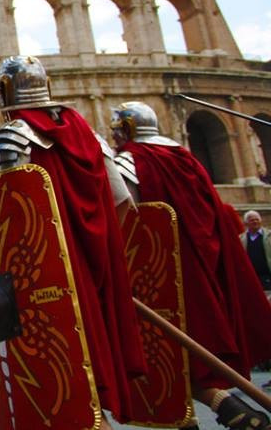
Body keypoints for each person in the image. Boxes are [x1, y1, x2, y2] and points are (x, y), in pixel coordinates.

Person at [0, 56, 145, 428]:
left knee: (64, 382)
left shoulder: (13, 139)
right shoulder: (91, 137)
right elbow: (123, 204)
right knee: (87, 373)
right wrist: (97, 257)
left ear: (6, 92)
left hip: (44, 284)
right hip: (96, 271)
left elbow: (8, 226)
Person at [112, 101, 271, 429]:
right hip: (202, 265)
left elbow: (128, 221)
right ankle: (219, 410)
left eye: (117, 130)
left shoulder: (130, 161)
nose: (114, 137)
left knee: (159, 356)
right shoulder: (185, 157)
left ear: (127, 130)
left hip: (158, 275)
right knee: (184, 353)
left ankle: (222, 409)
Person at [241, 210, 271, 294]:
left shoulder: (269, 236)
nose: (255, 221)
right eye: (252, 220)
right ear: (246, 223)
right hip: (251, 278)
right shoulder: (241, 239)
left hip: (268, 276)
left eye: (257, 219)